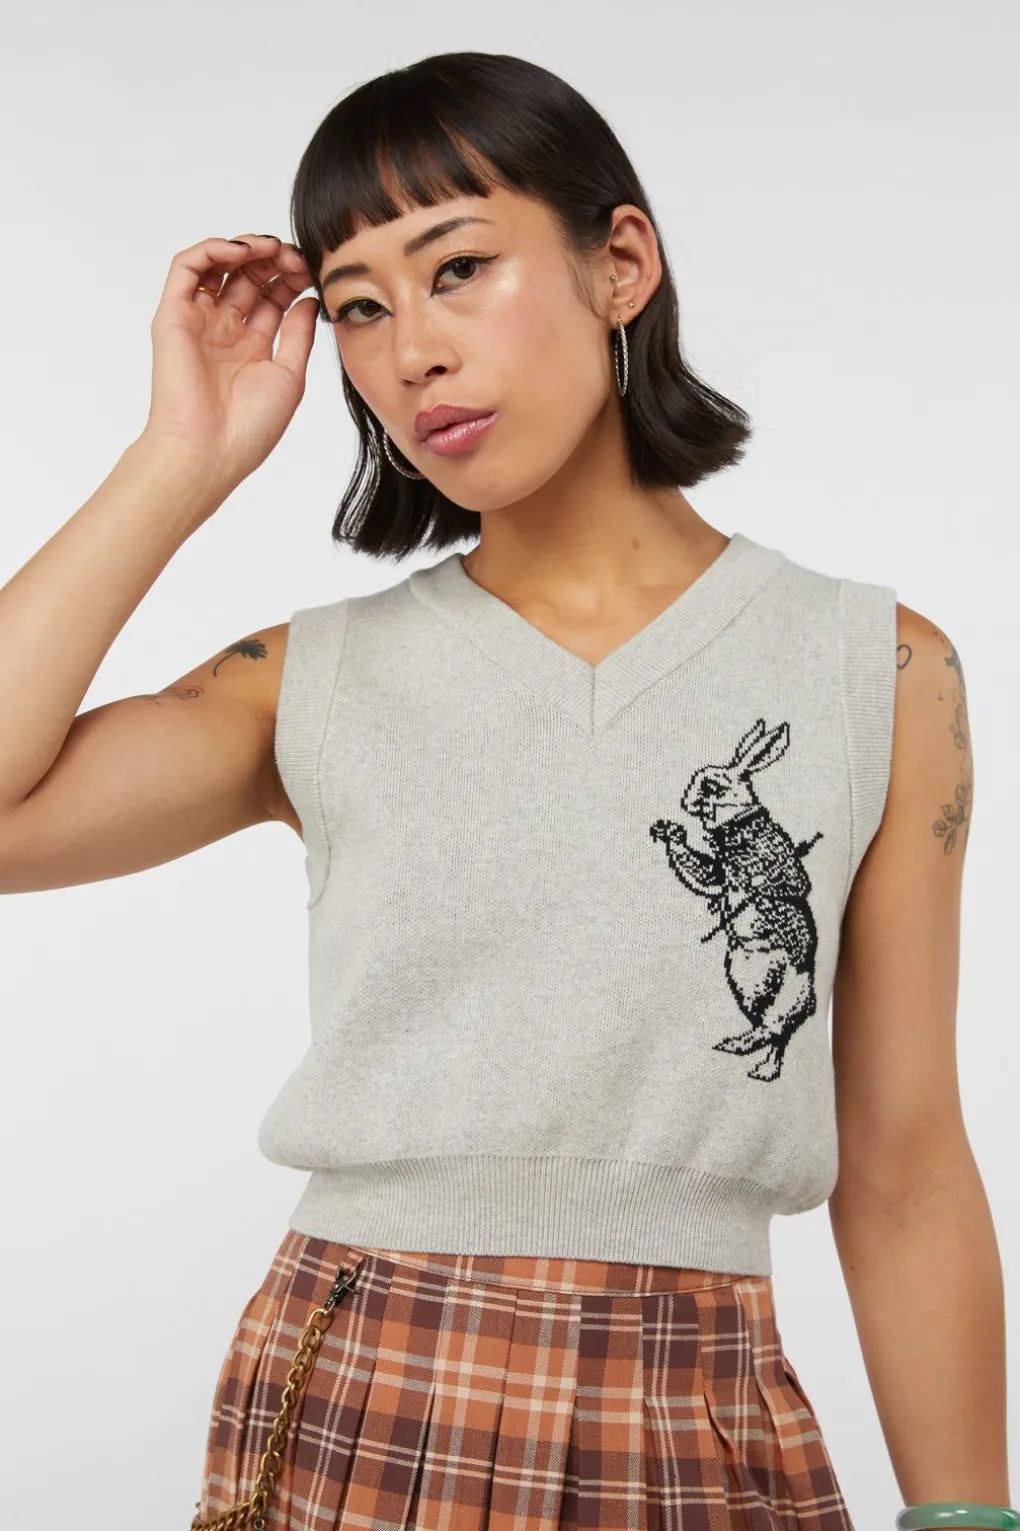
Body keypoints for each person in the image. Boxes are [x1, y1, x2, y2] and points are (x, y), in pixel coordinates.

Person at [0, 49, 1012, 1531]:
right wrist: (182, 455)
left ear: (620, 265)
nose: (411, 350)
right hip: (360, 1398)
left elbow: (908, 1166)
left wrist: (968, 1516)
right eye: (358, 305)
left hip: (696, 1412)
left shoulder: (880, 671)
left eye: (459, 267)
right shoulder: (308, 681)